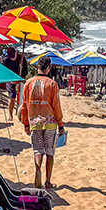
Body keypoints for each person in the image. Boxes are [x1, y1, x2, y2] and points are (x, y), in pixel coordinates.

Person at [20, 55, 65, 190]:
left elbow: (24, 105)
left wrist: (25, 123)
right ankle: (48, 181)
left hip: (34, 121)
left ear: (37, 67)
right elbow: (56, 106)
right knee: (50, 152)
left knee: (38, 150)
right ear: (49, 68)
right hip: (50, 122)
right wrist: (61, 124)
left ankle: (38, 170)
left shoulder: (28, 83)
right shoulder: (52, 84)